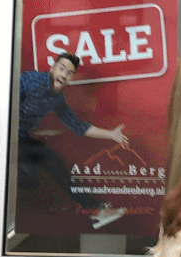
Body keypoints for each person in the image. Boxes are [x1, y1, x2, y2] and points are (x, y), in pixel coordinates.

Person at [18, 52, 130, 229]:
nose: (63, 75)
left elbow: (78, 126)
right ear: (52, 67)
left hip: (23, 138)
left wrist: (112, 135)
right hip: (8, 139)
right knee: (29, 180)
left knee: (58, 168)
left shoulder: (57, 99)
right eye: (61, 68)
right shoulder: (30, 81)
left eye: (69, 73)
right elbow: (6, 99)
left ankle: (97, 211)